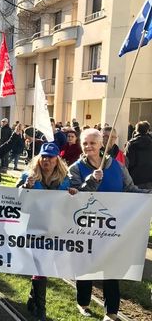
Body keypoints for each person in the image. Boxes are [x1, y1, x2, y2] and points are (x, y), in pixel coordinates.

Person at [69, 128, 150, 321]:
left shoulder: (118, 167)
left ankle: (111, 311)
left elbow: (130, 189)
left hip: (112, 227)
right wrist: (92, 180)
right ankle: (83, 303)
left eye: (93, 143)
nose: (88, 147)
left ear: (101, 145)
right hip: (86, 227)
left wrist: (148, 195)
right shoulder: (76, 168)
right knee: (85, 265)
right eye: (85, 143)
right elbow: (75, 195)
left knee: (112, 267)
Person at [16, 143, 73, 321]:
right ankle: (41, 308)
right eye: (43, 156)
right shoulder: (29, 175)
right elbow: (15, 197)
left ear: (57, 159)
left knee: (43, 266)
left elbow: (70, 202)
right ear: (38, 158)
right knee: (40, 266)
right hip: (33, 228)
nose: (46, 160)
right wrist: (26, 186)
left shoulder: (65, 179)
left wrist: (73, 193)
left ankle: (33, 299)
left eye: (50, 157)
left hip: (54, 229)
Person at [125, 121, 152, 189]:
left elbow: (128, 162)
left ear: (136, 130)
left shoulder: (131, 144)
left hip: (135, 178)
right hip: (150, 178)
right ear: (148, 130)